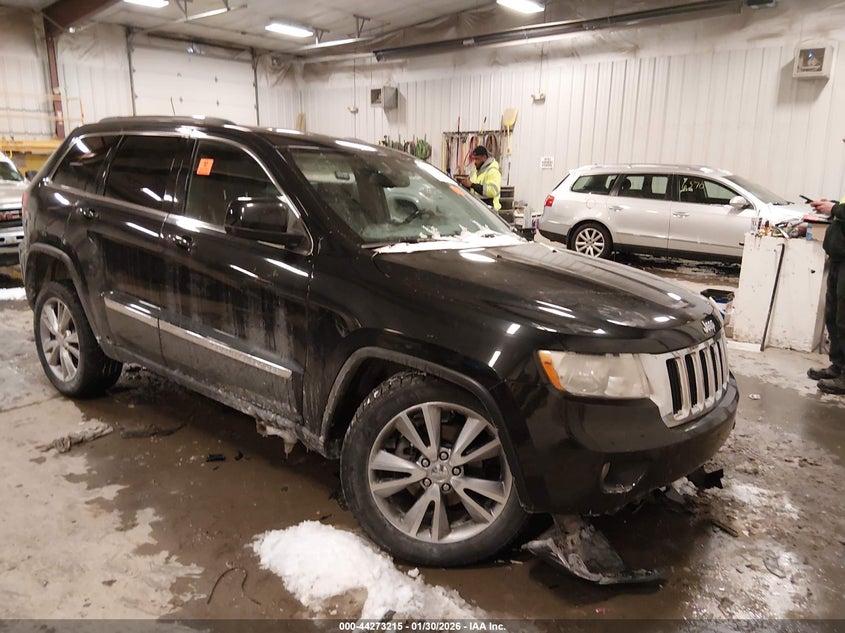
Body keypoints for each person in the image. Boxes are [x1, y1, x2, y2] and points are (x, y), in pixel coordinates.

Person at [807, 196, 845, 394]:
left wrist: (835, 209)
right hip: (839, 258)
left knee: (844, 319)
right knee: (833, 315)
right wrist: (829, 204)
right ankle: (838, 366)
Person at [458, 145, 502, 211]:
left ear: (484, 157)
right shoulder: (475, 170)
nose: (475, 162)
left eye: (477, 159)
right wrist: (465, 184)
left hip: (490, 211)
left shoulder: (493, 171)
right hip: (477, 208)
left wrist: (472, 185)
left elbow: (492, 191)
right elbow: (472, 188)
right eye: (474, 159)